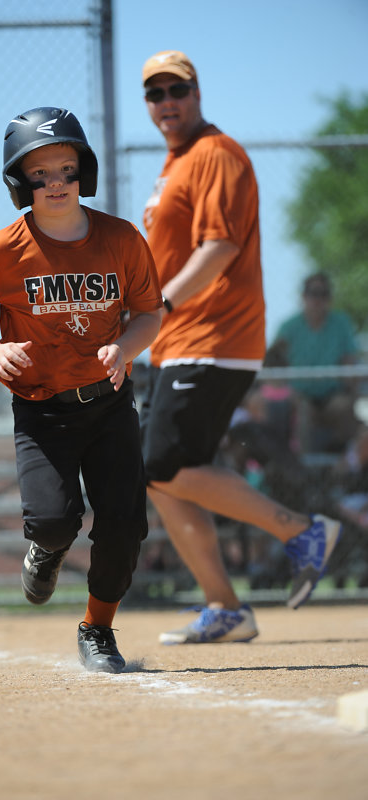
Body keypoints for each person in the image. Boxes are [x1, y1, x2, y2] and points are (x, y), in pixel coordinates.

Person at [0, 107, 162, 673]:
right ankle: (47, 547)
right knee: (55, 521)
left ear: (84, 172)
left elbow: (149, 313)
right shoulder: (5, 248)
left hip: (109, 405)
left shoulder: (121, 239)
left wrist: (126, 347)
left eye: (65, 169)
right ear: (20, 182)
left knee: (124, 524)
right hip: (43, 410)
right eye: (39, 174)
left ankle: (97, 629)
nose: (55, 183)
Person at [138, 50, 343, 645]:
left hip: (213, 336)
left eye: (177, 89)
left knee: (162, 465)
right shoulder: (175, 163)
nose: (167, 102)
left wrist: (159, 306)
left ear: (197, 93)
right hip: (176, 341)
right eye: (155, 93)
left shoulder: (217, 153)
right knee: (162, 478)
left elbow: (220, 247)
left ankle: (301, 530)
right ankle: (225, 607)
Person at [272, 272, 360, 453]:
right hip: (299, 397)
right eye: (313, 293)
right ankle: (302, 465)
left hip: (333, 396)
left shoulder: (341, 323)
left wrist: (353, 390)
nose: (318, 299)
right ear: (304, 296)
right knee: (301, 414)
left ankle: (345, 463)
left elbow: (350, 362)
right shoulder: (289, 327)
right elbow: (273, 363)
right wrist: (285, 391)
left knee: (346, 409)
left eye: (324, 293)